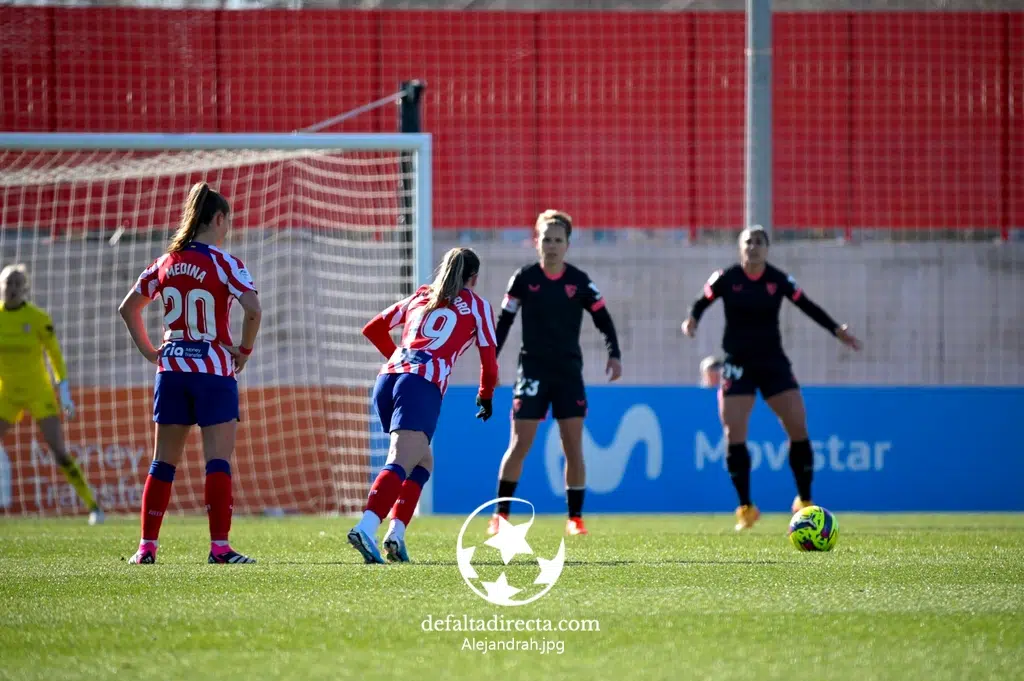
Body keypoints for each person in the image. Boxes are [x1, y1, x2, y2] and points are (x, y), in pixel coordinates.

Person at [117, 182, 262, 564]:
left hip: (173, 370)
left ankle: (146, 547)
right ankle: (219, 548)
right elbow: (253, 309)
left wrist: (151, 351)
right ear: (217, 219)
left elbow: (127, 309)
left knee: (162, 461)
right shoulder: (225, 262)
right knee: (217, 461)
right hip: (213, 371)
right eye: (227, 222)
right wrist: (244, 351)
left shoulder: (165, 262)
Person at [682, 225, 861, 531]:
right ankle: (746, 508)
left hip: (773, 363)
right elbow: (701, 300)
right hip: (738, 364)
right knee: (733, 434)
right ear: (740, 248)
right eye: (748, 241)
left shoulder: (777, 280)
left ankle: (804, 501)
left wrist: (835, 330)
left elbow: (806, 305)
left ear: (767, 249)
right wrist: (693, 320)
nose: (753, 246)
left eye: (759, 242)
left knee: (797, 427)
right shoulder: (727, 278)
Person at [351, 247, 498, 564]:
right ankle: (366, 527)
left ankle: (396, 535)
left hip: (388, 380)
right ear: (473, 277)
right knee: (401, 460)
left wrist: (400, 359)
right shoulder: (478, 306)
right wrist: (485, 396)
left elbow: (372, 328)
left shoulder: (421, 295)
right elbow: (490, 360)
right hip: (421, 385)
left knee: (421, 463)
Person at [489, 210, 622, 537]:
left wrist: (614, 353)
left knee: (573, 447)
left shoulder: (578, 282)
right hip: (532, 371)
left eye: (557, 240)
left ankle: (575, 519)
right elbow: (504, 322)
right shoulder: (523, 278)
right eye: (546, 239)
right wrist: (489, 361)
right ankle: (501, 516)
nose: (551, 245)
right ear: (537, 242)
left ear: (567, 245)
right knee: (519, 444)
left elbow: (603, 319)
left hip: (567, 374)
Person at [0, 264, 104, 524]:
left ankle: (94, 507)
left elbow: (55, 358)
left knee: (58, 451)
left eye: (16, 284)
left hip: (39, 393)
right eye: (6, 283)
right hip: (7, 394)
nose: (11, 288)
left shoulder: (38, 318)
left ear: (25, 289)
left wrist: (65, 394)